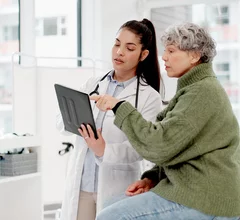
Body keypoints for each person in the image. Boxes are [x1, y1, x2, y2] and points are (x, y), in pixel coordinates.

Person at [91, 22, 240, 219]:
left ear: (194, 56)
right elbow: (177, 148)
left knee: (110, 216)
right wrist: (151, 179)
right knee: (109, 205)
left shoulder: (202, 92)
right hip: (191, 189)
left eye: (171, 51)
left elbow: (160, 145)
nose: (164, 57)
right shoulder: (193, 89)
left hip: (205, 196)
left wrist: (119, 107)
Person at [56, 18, 163, 220]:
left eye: (129, 48)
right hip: (82, 185)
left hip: (117, 186)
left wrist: (103, 150)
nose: (119, 52)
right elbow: (61, 123)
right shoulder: (93, 83)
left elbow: (142, 147)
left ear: (144, 54)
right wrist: (75, 108)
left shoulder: (150, 98)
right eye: (116, 44)